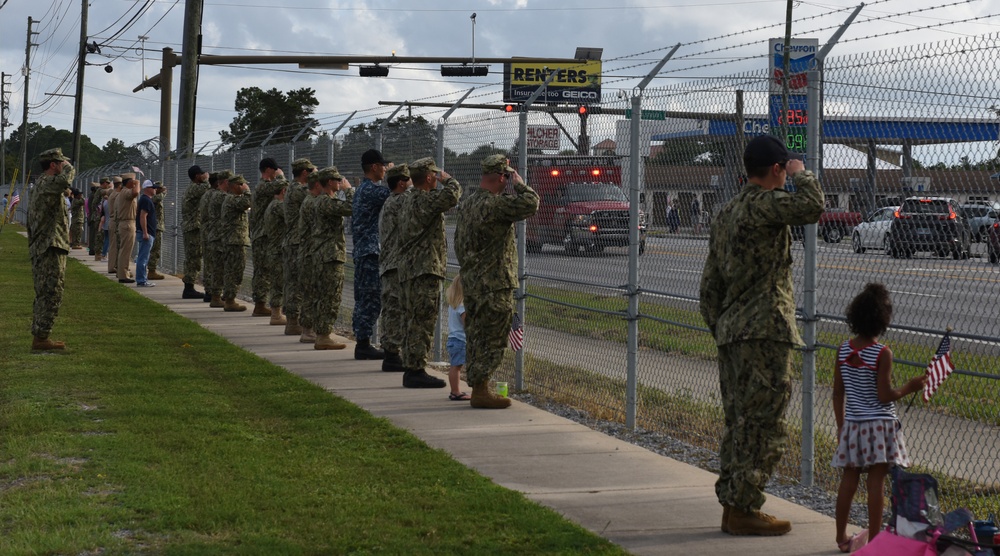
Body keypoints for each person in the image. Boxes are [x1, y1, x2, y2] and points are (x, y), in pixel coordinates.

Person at [699, 134, 824, 536]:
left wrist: (723, 326)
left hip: (733, 332)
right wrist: (802, 173)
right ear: (775, 169)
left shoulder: (726, 212)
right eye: (784, 170)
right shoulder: (765, 204)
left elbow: (709, 288)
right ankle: (745, 508)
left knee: (739, 422)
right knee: (764, 424)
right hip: (765, 331)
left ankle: (733, 504)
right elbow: (813, 207)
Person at [832, 283, 926, 553]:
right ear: (883, 319)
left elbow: (837, 394)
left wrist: (842, 427)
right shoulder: (883, 353)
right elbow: (885, 395)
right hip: (880, 426)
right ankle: (873, 543)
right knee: (876, 482)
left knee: (848, 480)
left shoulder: (843, 350)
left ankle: (841, 538)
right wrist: (910, 387)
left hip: (853, 424)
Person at [454, 155, 539, 408]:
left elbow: (459, 243)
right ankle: (481, 390)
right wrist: (521, 184)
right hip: (494, 284)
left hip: (472, 281)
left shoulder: (469, 203)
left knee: (476, 333)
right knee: (493, 335)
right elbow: (531, 204)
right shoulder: (495, 205)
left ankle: (479, 385)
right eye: (508, 176)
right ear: (502, 177)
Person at [396, 157, 461, 389]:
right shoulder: (424, 199)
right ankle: (415, 371)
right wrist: (449, 179)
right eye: (435, 175)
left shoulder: (406, 198)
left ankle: (412, 367)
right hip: (423, 269)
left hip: (409, 269)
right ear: (430, 177)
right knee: (422, 321)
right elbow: (453, 195)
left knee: (412, 320)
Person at [26, 148, 75, 350]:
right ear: (54, 165)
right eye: (61, 163)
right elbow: (65, 181)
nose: (64, 165)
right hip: (49, 245)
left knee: (46, 291)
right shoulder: (48, 183)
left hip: (48, 244)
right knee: (51, 291)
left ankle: (41, 335)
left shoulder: (45, 184)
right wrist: (69, 167)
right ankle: (42, 337)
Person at [351, 148, 391, 360]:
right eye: (383, 165)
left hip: (364, 250)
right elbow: (392, 193)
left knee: (364, 297)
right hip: (369, 252)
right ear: (374, 167)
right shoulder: (369, 190)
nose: (385, 169)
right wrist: (395, 177)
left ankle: (362, 341)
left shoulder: (363, 189)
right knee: (370, 298)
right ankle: (364, 343)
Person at [309, 166, 353, 350]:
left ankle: (322, 334)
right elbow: (351, 208)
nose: (339, 182)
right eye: (337, 180)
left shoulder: (323, 201)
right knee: (330, 296)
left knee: (324, 295)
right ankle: (323, 335)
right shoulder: (326, 202)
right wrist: (348, 190)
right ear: (329, 182)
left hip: (325, 253)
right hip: (329, 254)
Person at [377, 164, 411, 372]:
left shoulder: (392, 201)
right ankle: (391, 355)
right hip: (396, 264)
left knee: (392, 309)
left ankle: (391, 353)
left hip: (391, 262)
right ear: (401, 183)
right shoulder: (399, 201)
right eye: (408, 179)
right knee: (394, 310)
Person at [282, 158, 317, 335]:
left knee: (293, 284)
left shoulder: (292, 189)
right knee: (300, 284)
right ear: (305, 173)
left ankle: (292, 322)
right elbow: (317, 195)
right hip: (298, 242)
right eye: (311, 171)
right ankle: (298, 323)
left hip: (292, 240)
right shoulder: (299, 190)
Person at [250, 158, 288, 317]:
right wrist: (282, 176)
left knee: (264, 271)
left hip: (264, 233)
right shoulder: (263, 186)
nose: (276, 172)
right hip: (262, 234)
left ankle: (261, 304)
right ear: (268, 170)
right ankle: (261, 304)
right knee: (264, 271)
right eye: (274, 169)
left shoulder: (265, 186)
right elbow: (282, 185)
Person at [295, 169, 324, 343]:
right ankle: (308, 331)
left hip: (308, 252)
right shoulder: (312, 202)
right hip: (310, 253)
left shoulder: (308, 200)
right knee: (312, 293)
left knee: (309, 293)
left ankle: (308, 329)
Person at [220, 174, 251, 311]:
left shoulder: (231, 199)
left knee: (232, 270)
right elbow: (248, 202)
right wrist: (247, 190)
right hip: (234, 241)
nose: (243, 187)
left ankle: (229, 297)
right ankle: (230, 300)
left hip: (234, 240)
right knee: (235, 271)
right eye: (241, 184)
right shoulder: (232, 199)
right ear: (234, 186)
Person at [181, 165, 210, 299]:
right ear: (197, 176)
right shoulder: (195, 188)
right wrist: (208, 179)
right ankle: (189, 288)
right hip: (193, 228)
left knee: (193, 257)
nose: (205, 175)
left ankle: (189, 287)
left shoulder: (192, 188)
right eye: (202, 174)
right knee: (193, 258)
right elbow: (208, 187)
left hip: (192, 227)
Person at [261, 183, 287, 325]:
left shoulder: (272, 205)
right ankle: (276, 314)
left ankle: (277, 312)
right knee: (278, 283)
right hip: (277, 250)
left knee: (277, 282)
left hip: (274, 248)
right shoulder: (277, 206)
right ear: (283, 191)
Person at [445, 275, 470, 401]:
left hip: (453, 338)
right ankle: (455, 391)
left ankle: (455, 390)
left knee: (455, 365)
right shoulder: (462, 306)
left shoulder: (453, 304)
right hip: (460, 340)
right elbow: (467, 323)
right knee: (457, 366)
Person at [198, 172, 222, 304]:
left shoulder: (206, 195)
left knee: (208, 262)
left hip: (206, 230)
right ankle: (213, 291)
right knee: (215, 263)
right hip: (214, 231)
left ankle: (209, 290)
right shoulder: (215, 195)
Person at [114, 173, 140, 284]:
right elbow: (136, 192)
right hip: (127, 224)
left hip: (126, 223)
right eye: (133, 181)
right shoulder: (126, 192)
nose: (135, 182)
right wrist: (138, 183)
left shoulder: (123, 193)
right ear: (129, 182)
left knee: (125, 250)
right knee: (125, 251)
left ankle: (123, 272)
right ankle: (123, 275)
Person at [134, 180, 159, 287]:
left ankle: (142, 279)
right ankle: (141, 280)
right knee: (143, 257)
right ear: (147, 189)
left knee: (144, 256)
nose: (155, 189)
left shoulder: (146, 200)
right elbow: (142, 216)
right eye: (153, 187)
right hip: (147, 233)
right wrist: (145, 232)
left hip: (148, 232)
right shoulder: (146, 200)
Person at [146, 181, 167, 280]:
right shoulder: (154, 198)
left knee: (156, 249)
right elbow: (159, 198)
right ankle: (151, 270)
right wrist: (163, 192)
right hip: (156, 227)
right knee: (155, 250)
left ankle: (152, 269)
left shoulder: (156, 198)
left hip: (158, 226)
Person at [106, 176, 122, 275]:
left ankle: (112, 266)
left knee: (113, 245)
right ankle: (115, 266)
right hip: (116, 220)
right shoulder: (117, 195)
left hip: (112, 220)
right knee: (117, 245)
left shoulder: (112, 194)